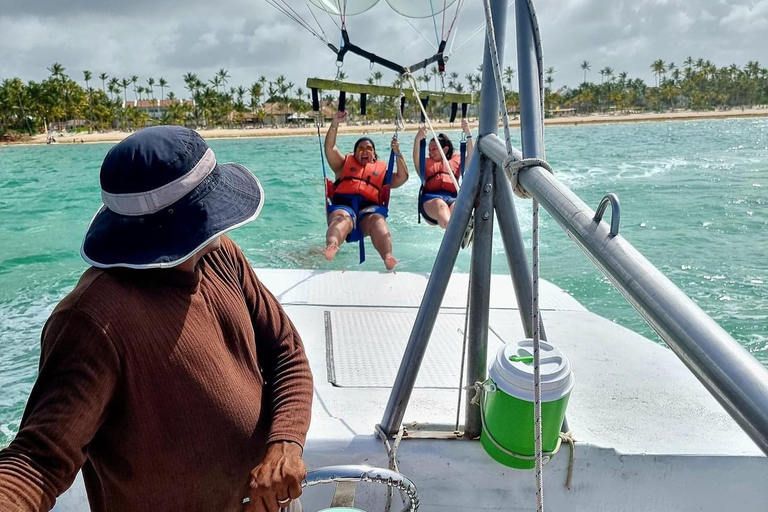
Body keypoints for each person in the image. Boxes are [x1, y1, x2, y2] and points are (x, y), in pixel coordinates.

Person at [0, 126, 313, 512]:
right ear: (190, 219)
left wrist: (284, 444)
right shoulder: (92, 321)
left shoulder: (220, 255)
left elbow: (287, 351)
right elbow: (35, 462)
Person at [323, 111, 409, 270]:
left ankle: (387, 255)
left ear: (374, 154)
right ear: (354, 153)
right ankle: (332, 245)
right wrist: (335, 123)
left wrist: (397, 152)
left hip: (367, 212)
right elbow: (329, 147)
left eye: (369, 148)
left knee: (378, 221)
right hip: (344, 207)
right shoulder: (342, 166)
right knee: (342, 219)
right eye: (360, 148)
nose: (364, 151)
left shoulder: (382, 172)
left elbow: (403, 177)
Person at [413, 118, 474, 229]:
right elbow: (416, 158)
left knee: (457, 207)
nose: (430, 153)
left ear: (445, 150)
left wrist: (468, 133)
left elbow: (472, 157)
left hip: (452, 198)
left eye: (434, 149)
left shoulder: (457, 161)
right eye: (429, 150)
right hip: (431, 201)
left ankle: (462, 231)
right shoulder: (424, 164)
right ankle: (453, 231)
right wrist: (418, 139)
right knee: (440, 205)